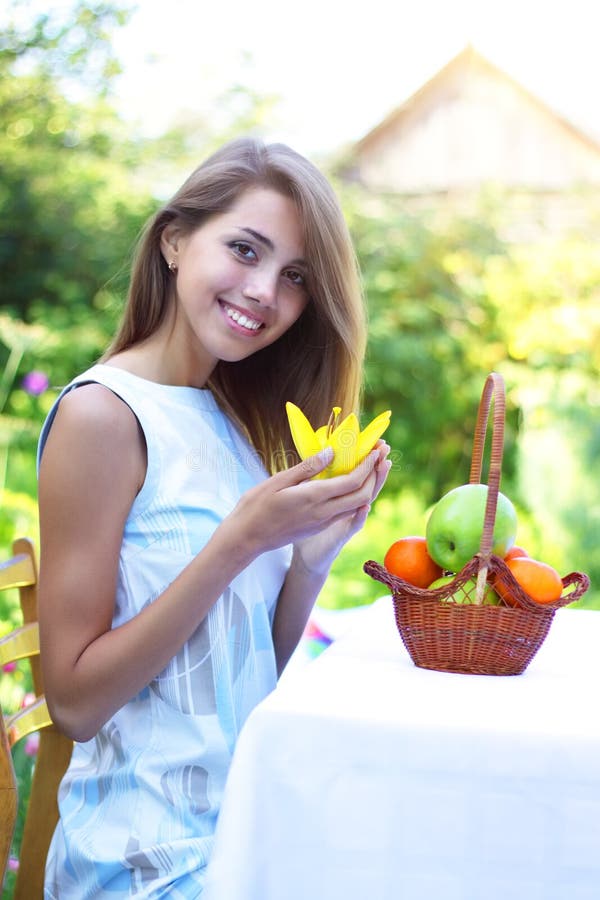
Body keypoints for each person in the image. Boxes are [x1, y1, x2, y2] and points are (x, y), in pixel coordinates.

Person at [37, 136, 391, 898]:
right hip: (145, 859)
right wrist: (236, 544)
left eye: (295, 277)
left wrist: (310, 559)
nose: (265, 291)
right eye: (244, 249)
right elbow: (73, 703)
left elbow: (244, 668)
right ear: (173, 241)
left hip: (241, 833)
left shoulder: (227, 421)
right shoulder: (103, 417)